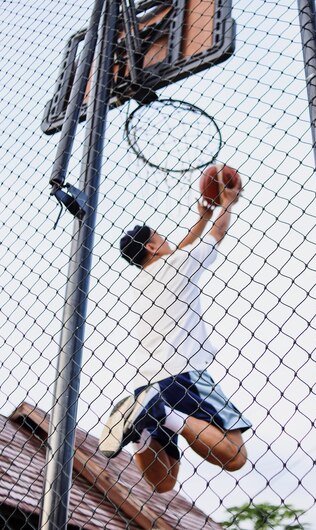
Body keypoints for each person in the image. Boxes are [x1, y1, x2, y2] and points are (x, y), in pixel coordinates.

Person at [99, 181, 251, 493]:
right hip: (183, 373)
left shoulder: (142, 280)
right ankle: (165, 411)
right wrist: (227, 205)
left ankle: (143, 430)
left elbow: (180, 250)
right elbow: (216, 237)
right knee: (235, 455)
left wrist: (201, 218)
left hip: (147, 382)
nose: (169, 241)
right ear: (153, 248)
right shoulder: (177, 264)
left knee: (164, 483)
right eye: (161, 238)